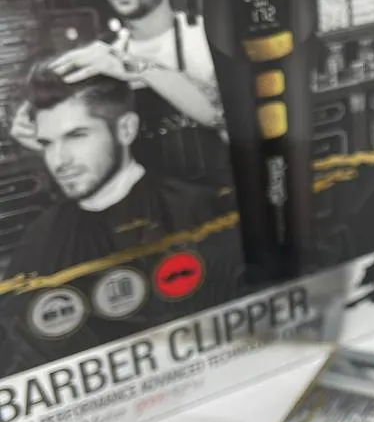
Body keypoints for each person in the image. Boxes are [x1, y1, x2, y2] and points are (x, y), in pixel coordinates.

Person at [10, 0, 230, 185]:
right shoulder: (102, 61)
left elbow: (226, 120)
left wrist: (136, 68)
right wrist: (42, 138)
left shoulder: (207, 39)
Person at [4, 62, 223, 279]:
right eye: (47, 143)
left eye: (76, 136)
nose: (58, 161)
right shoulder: (41, 238)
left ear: (126, 129)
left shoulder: (195, 209)